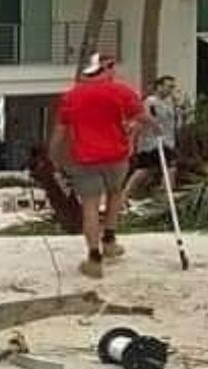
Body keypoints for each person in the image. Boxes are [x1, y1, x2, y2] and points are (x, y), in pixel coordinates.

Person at [51, 53, 150, 278]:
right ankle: (110, 240)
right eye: (111, 67)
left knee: (90, 207)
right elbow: (142, 118)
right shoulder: (122, 91)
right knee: (116, 194)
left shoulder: (71, 96)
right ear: (105, 70)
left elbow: (59, 133)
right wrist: (153, 126)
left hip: (84, 159)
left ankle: (94, 259)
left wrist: (54, 158)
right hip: (116, 157)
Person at [125, 74, 181, 198]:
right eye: (168, 87)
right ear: (159, 87)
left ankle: (162, 193)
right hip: (153, 142)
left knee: (148, 170)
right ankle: (166, 194)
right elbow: (144, 119)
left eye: (172, 87)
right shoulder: (151, 102)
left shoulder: (169, 103)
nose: (171, 90)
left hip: (167, 141)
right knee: (166, 167)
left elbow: (174, 121)